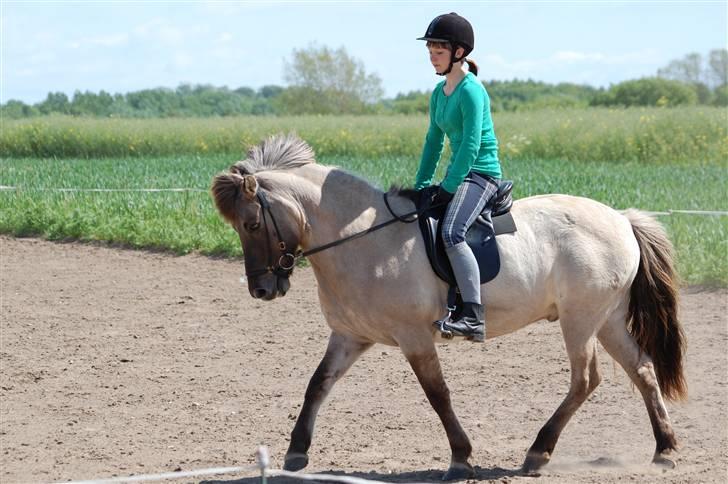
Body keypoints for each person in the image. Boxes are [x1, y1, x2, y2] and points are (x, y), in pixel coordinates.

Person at [414, 12, 502, 342]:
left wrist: (449, 186)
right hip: (461, 174)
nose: (432, 58)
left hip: (482, 173)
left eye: (438, 52)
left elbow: (471, 144)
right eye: (430, 52)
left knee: (452, 232)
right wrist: (421, 185)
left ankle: (474, 316)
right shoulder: (439, 93)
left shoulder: (471, 91)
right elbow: (433, 142)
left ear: (458, 53)